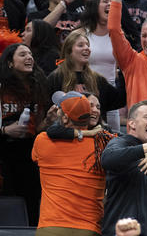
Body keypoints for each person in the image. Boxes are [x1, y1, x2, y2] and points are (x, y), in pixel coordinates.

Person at [32, 91, 106, 236]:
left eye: (59, 109)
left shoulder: (42, 141)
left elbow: (36, 155)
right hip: (88, 229)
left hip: (50, 228)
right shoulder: (102, 144)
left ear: (65, 118)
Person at [0, 43, 53, 225]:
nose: (29, 57)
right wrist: (5, 130)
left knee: (32, 199)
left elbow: (37, 129)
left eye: (30, 54)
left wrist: (48, 121)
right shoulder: (2, 87)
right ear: (10, 63)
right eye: (22, 54)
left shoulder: (38, 86)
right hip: (3, 152)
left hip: (29, 153)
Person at [101, 100, 147, 236]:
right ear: (132, 123)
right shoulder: (121, 142)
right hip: (120, 231)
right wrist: (145, 148)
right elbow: (107, 159)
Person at [47, 29, 126, 119]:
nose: (87, 48)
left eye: (88, 45)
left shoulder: (97, 79)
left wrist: (123, 71)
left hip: (94, 131)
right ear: (69, 52)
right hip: (66, 130)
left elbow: (119, 100)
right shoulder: (55, 78)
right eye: (80, 45)